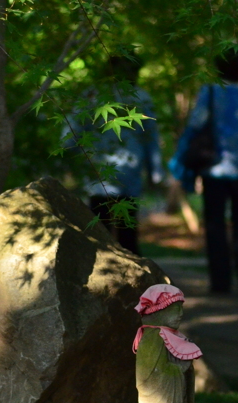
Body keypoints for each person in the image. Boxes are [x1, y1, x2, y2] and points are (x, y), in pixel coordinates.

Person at [171, 48, 238, 293]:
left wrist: (180, 161)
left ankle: (220, 280)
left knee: (215, 224)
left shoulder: (209, 93)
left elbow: (195, 126)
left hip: (214, 169)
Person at [79, 53, 164, 255]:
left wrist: (66, 158)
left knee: (99, 236)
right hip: (127, 175)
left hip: (100, 175)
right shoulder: (141, 98)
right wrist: (155, 171)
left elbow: (75, 129)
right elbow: (150, 138)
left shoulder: (93, 95)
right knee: (127, 235)